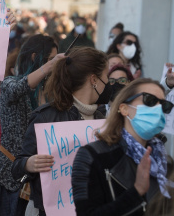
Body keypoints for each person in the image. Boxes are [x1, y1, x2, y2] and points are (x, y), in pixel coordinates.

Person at [12, 47, 110, 216]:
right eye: (106, 76)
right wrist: (29, 163)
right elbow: (16, 169)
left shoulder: (103, 120)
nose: (107, 83)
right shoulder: (46, 117)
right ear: (94, 79)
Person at [0, 34, 64, 216]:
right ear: (35, 58)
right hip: (7, 177)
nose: (54, 66)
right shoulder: (9, 83)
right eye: (50, 59)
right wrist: (48, 67)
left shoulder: (50, 92)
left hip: (38, 177)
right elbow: (20, 87)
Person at [72, 78, 174, 215]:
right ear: (124, 108)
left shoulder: (165, 162)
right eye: (149, 100)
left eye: (164, 105)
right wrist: (136, 192)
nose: (158, 109)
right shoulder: (92, 156)